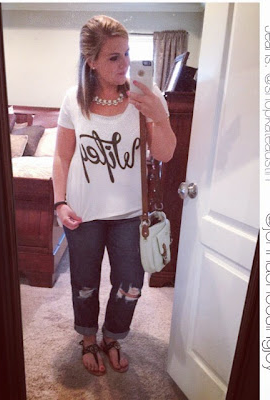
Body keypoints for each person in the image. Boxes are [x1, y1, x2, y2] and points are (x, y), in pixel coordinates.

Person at [53, 15, 176, 376]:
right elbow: (61, 156)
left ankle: (112, 336)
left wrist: (159, 116)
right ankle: (88, 339)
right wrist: (59, 202)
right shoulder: (73, 99)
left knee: (130, 284)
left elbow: (165, 153)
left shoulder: (146, 97)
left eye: (127, 54)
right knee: (84, 283)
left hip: (131, 215)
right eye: (113, 57)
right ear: (91, 61)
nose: (125, 64)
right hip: (83, 212)